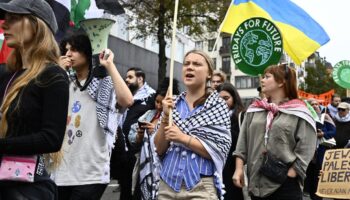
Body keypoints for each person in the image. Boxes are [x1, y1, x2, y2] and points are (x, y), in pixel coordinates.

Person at [0, 0, 69, 199]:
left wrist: (2, 145)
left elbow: (51, 139)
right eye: (5, 19)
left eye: (13, 19)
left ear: (35, 25)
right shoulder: (6, 74)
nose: (4, 25)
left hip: (28, 189)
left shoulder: (53, 75)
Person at [51, 33, 133, 200]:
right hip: (60, 169)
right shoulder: (64, 81)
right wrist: (57, 72)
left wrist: (109, 65)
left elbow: (127, 100)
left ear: (87, 52)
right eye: (66, 50)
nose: (68, 54)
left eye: (74, 50)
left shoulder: (102, 82)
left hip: (91, 171)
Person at [154, 50, 231, 200]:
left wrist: (183, 138)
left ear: (209, 74)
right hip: (167, 185)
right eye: (186, 64)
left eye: (196, 64)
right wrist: (165, 117)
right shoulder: (171, 103)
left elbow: (218, 150)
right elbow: (159, 148)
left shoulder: (217, 106)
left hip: (200, 187)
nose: (189, 67)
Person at [233, 64, 317, 200]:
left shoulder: (299, 111)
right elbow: (242, 143)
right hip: (256, 182)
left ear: (281, 81)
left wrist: (292, 173)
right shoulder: (255, 109)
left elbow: (307, 147)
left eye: (267, 77)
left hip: (284, 185)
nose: (262, 80)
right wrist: (238, 169)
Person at [128, 77, 180, 200]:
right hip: (145, 168)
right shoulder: (149, 114)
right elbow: (132, 139)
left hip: (165, 170)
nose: (159, 106)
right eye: (157, 102)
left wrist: (157, 131)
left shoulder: (177, 116)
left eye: (162, 103)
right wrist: (140, 135)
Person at [116, 67, 155, 200]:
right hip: (123, 151)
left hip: (138, 152)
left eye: (130, 77)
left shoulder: (151, 97)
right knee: (125, 189)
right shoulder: (125, 95)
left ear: (140, 79)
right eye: (126, 77)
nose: (126, 80)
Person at [216, 83, 245, 200]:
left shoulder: (241, 117)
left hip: (235, 169)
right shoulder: (211, 119)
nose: (222, 102)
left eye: (226, 98)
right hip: (218, 170)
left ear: (234, 98)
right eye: (219, 99)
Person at [304, 98, 335, 200]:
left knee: (319, 174)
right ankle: (312, 195)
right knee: (310, 174)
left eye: (317, 104)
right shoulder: (305, 118)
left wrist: (323, 134)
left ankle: (319, 196)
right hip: (309, 151)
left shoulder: (325, 117)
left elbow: (333, 132)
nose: (315, 106)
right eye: (312, 104)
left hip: (321, 151)